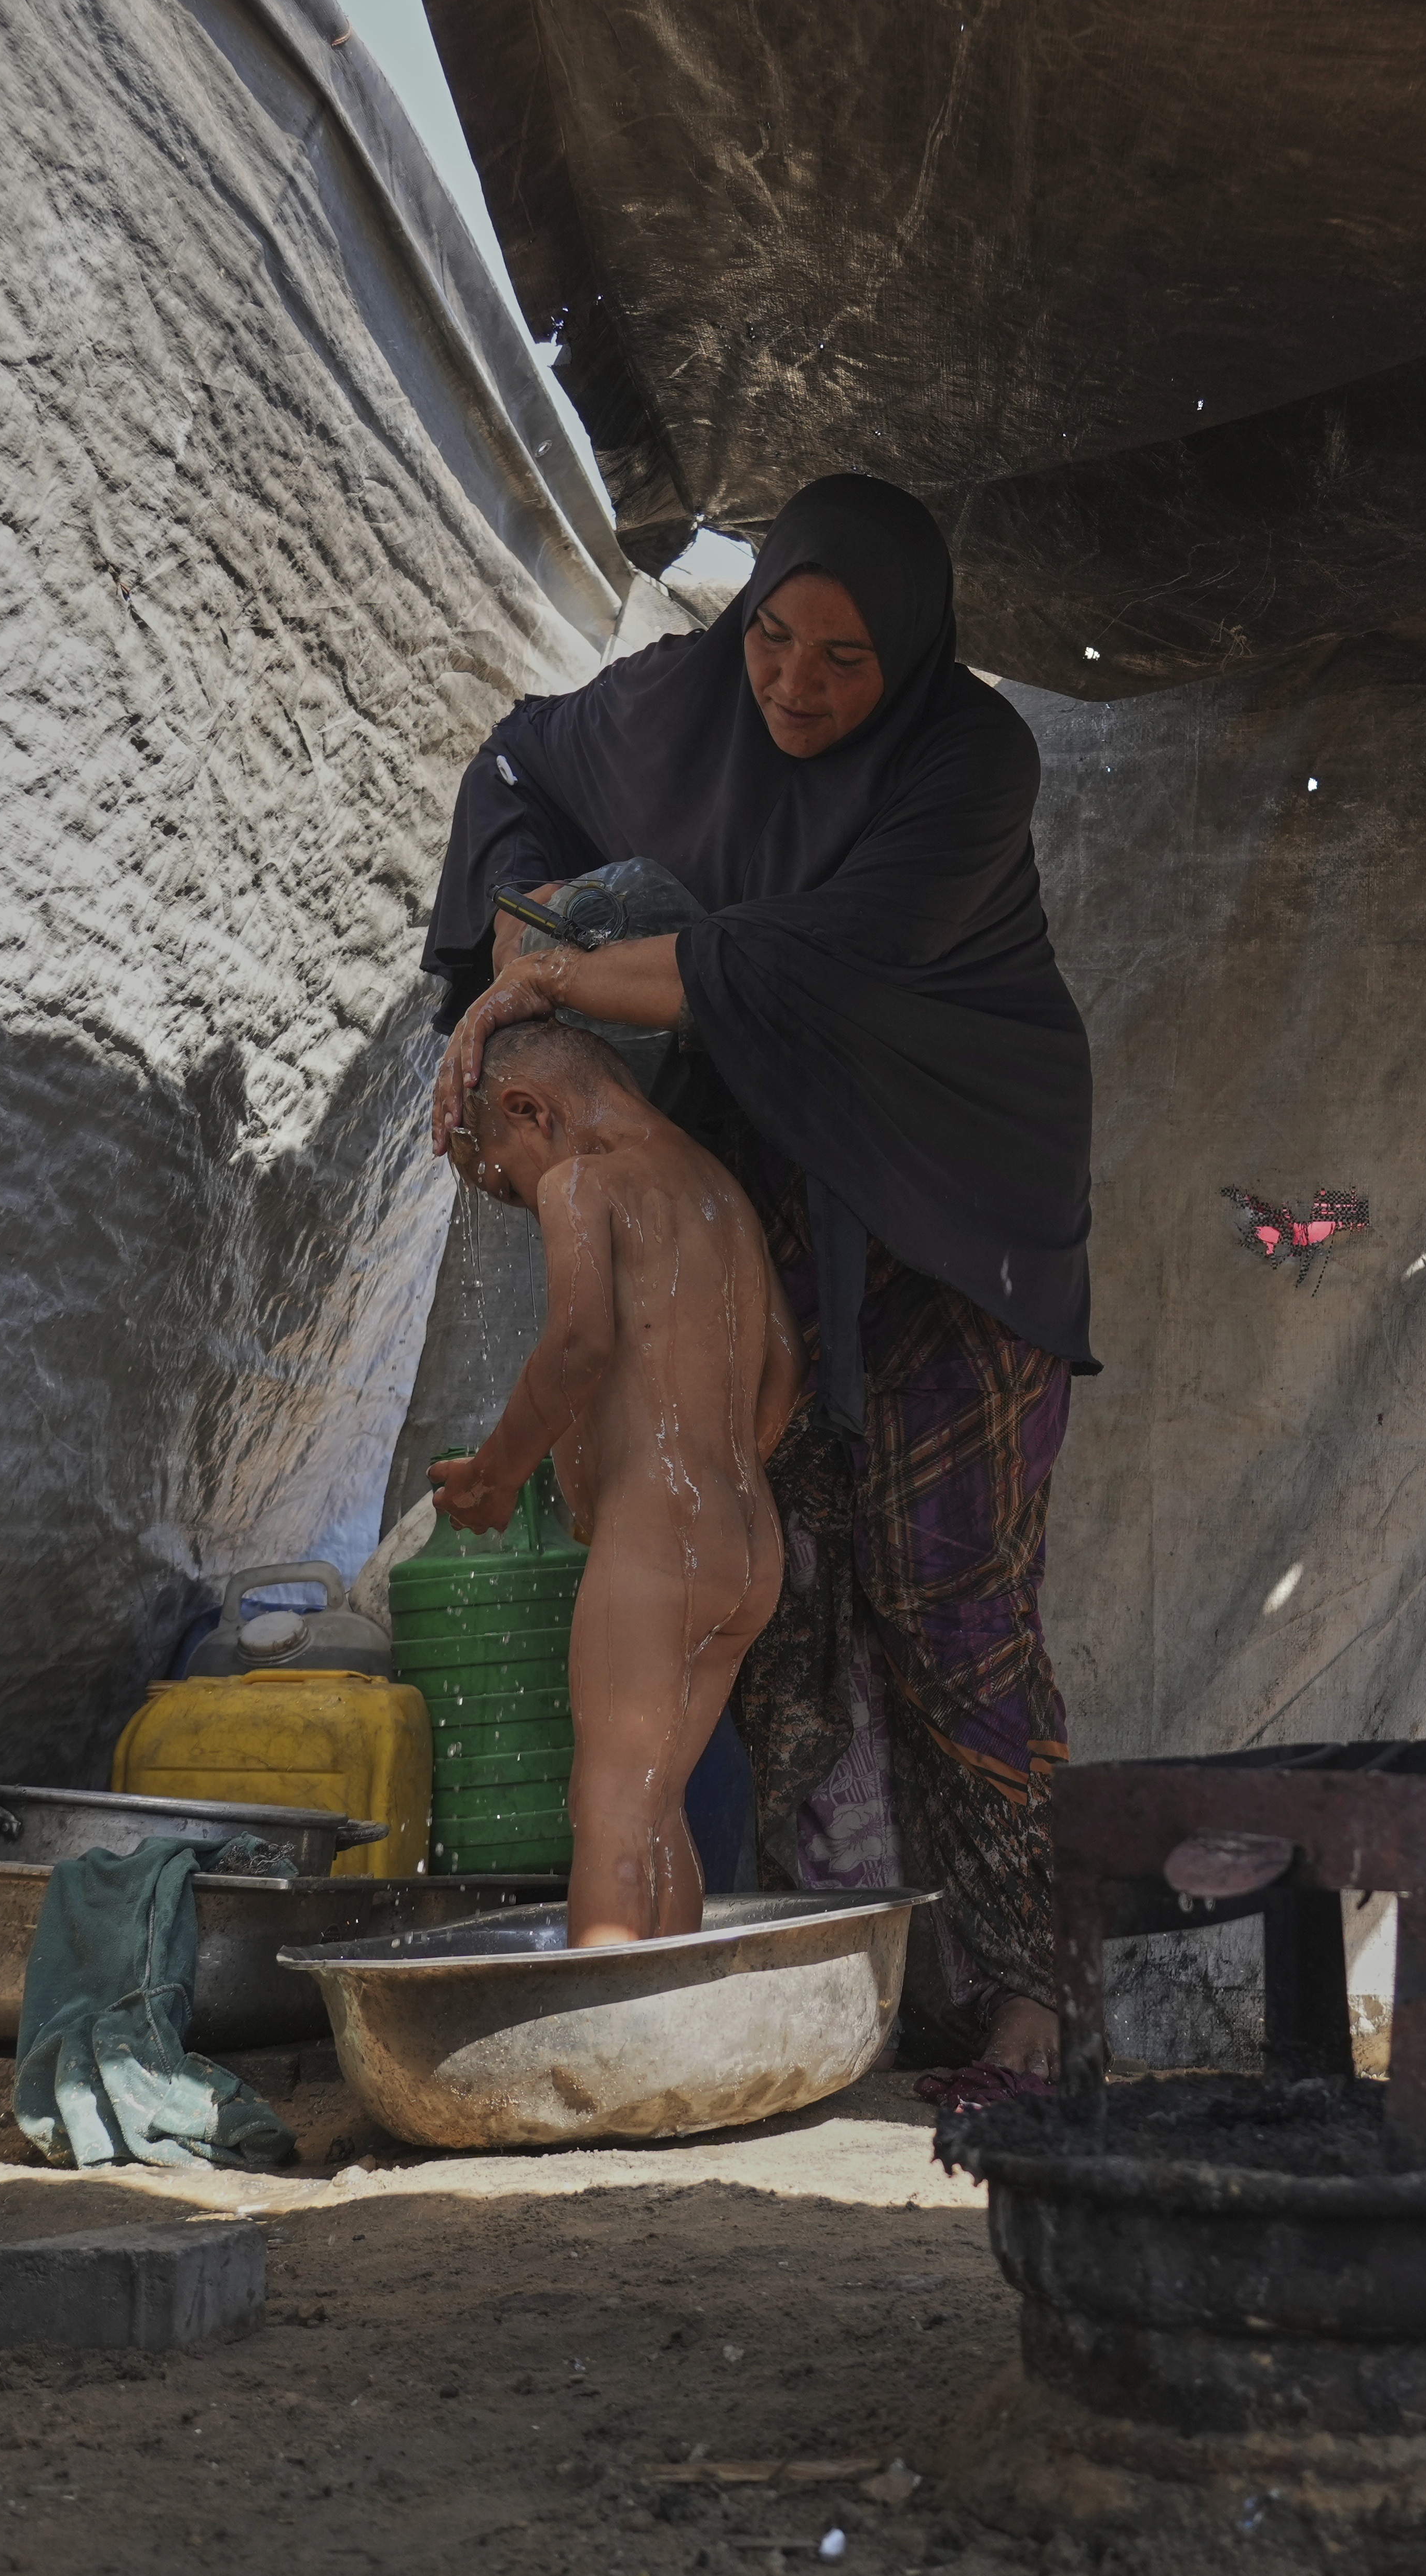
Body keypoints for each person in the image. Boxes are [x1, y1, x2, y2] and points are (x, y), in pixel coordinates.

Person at [422, 474, 1094, 2080]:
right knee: (775, 1617)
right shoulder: (673, 707)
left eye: (843, 660)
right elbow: (518, 759)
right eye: (773, 637)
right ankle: (831, 1969)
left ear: (911, 661)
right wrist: (534, 916)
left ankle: (1027, 1987)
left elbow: (805, 963)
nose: (792, 684)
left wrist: (560, 977)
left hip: (953, 1202)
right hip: (765, 1174)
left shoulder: (966, 762)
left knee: (951, 1603)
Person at [429, 1012, 801, 1944]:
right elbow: (785, 1369)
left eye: (504, 1177)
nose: (521, 1199)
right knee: (655, 1799)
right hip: (747, 1547)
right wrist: (716, 1476)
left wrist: (495, 1473)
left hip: (658, 1541)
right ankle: (663, 2022)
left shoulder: (583, 1180)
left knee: (605, 1814)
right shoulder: (720, 1189)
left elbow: (580, 1341)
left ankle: (596, 2046)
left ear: (529, 1111)